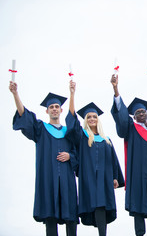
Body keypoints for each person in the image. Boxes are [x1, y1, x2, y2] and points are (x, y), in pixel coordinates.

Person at [9, 81, 78, 236]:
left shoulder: (69, 132)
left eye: (56, 107)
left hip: (67, 179)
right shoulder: (41, 129)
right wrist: (15, 94)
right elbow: (24, 116)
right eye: (51, 107)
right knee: (50, 216)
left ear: (61, 110)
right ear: (47, 111)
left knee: (71, 216)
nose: (54, 109)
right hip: (48, 179)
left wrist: (70, 156)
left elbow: (78, 154)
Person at [110, 75, 147, 236]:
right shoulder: (131, 129)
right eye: (137, 112)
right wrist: (116, 90)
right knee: (138, 204)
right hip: (137, 174)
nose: (141, 113)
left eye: (143, 111)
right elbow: (121, 119)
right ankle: (140, 233)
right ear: (133, 117)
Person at [65, 81, 124, 236]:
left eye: (94, 116)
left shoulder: (107, 140)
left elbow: (113, 160)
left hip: (105, 178)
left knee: (103, 207)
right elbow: (71, 121)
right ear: (85, 120)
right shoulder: (82, 136)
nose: (92, 119)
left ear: (98, 119)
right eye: (89, 117)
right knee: (97, 205)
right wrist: (72, 94)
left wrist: (115, 177)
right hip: (89, 177)